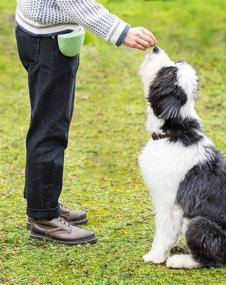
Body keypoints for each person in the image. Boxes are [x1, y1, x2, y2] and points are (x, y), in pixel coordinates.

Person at [15, 0, 156, 245]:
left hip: (39, 33)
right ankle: (44, 217)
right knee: (50, 129)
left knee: (49, 123)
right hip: (48, 42)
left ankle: (43, 203)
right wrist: (121, 32)